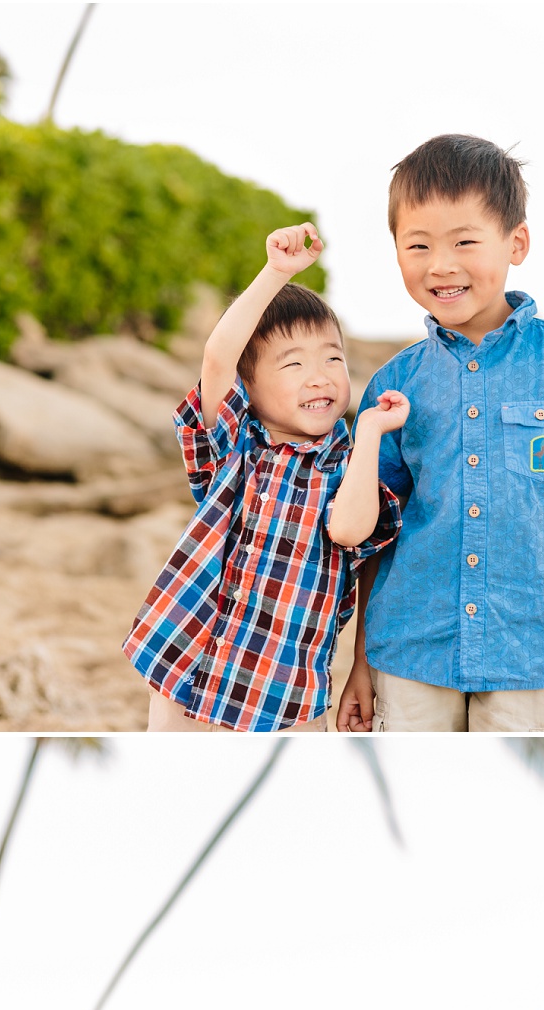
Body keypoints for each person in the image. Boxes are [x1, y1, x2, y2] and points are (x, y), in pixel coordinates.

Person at [336, 134, 544, 734]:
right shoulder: (395, 380)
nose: (442, 264)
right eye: (419, 245)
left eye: (464, 241)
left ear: (517, 242)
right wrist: (360, 660)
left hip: (536, 648)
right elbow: (377, 531)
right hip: (410, 646)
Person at [124, 225, 404, 731]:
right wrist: (276, 273)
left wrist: (368, 435)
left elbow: (350, 530)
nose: (320, 376)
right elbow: (218, 356)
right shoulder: (235, 445)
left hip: (284, 690)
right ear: (248, 388)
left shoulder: (346, 465)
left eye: (333, 359)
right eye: (293, 364)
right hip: (187, 666)